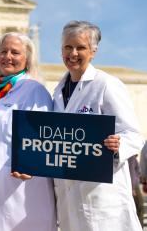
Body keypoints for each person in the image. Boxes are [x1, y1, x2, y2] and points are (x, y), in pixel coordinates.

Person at [53, 20, 144, 230]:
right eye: (68, 47)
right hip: (69, 196)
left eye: (80, 47)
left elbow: (131, 133)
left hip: (103, 195)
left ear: (93, 51)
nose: (73, 53)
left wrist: (117, 145)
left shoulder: (106, 84)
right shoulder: (57, 92)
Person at [0, 32, 57, 231]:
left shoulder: (35, 90)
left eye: (15, 52)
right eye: (3, 51)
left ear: (27, 59)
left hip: (23, 190)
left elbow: (43, 137)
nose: (8, 56)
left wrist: (31, 165)